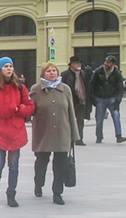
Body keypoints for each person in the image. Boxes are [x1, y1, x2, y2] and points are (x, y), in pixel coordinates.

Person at [0, 57, 34, 207]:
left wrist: (19, 109)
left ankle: (11, 193)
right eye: (5, 66)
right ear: (0, 69)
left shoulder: (20, 87)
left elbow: (30, 106)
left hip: (16, 130)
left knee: (14, 164)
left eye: (11, 66)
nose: (9, 69)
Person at [30, 61, 80, 205]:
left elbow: (70, 112)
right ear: (43, 74)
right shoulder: (36, 89)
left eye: (54, 71)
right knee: (41, 161)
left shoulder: (65, 89)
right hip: (42, 132)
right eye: (49, 71)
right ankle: (38, 183)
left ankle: (57, 192)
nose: (52, 73)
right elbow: (29, 109)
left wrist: (74, 135)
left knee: (60, 164)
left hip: (62, 132)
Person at [89, 55, 126, 144]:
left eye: (108, 63)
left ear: (113, 64)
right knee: (99, 119)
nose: (106, 64)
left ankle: (119, 136)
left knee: (116, 116)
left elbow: (120, 87)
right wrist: (93, 97)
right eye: (106, 62)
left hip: (112, 98)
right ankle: (99, 137)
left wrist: (118, 100)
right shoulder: (98, 72)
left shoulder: (117, 74)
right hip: (100, 98)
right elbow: (92, 84)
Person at [60, 56, 89, 145]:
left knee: (80, 120)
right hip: (70, 101)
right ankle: (70, 138)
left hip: (81, 101)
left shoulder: (83, 74)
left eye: (79, 63)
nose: (78, 65)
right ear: (71, 64)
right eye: (76, 63)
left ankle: (79, 138)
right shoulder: (65, 75)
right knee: (69, 121)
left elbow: (87, 87)